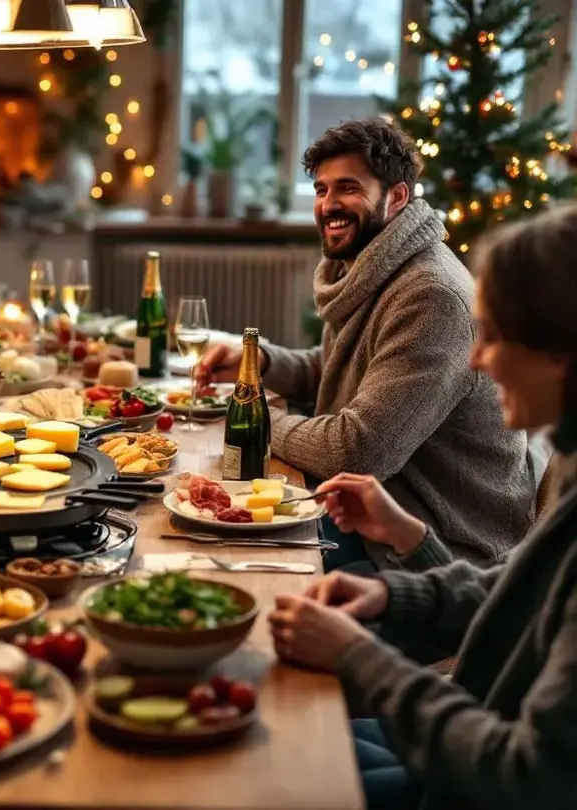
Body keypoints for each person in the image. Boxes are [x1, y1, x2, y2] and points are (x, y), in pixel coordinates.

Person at [268, 205, 577, 810]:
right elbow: (528, 594)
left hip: (469, 778)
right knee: (271, 727)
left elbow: (529, 777)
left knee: (270, 766)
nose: (475, 361)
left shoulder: (433, 294)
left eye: (491, 337)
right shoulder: (571, 457)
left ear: (557, 352)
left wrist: (358, 658)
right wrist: (398, 593)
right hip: (463, 729)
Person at [195, 117, 534, 572]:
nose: (329, 205)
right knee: (210, 520)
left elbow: (357, 452)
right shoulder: (370, 265)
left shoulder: (431, 296)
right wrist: (262, 362)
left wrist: (254, 419)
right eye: (320, 190)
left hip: (437, 549)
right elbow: (338, 365)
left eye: (348, 188)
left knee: (233, 552)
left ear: (396, 197)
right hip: (372, 513)